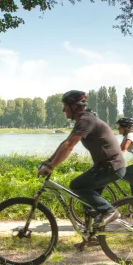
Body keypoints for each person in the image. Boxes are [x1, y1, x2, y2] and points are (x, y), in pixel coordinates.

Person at [38, 90, 126, 249]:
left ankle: (110, 211)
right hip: (107, 166)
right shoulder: (83, 120)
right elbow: (66, 142)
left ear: (74, 106)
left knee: (77, 185)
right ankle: (92, 238)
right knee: (87, 201)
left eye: (65, 106)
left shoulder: (86, 120)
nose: (63, 110)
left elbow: (69, 146)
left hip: (111, 167)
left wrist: (51, 166)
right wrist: (49, 161)